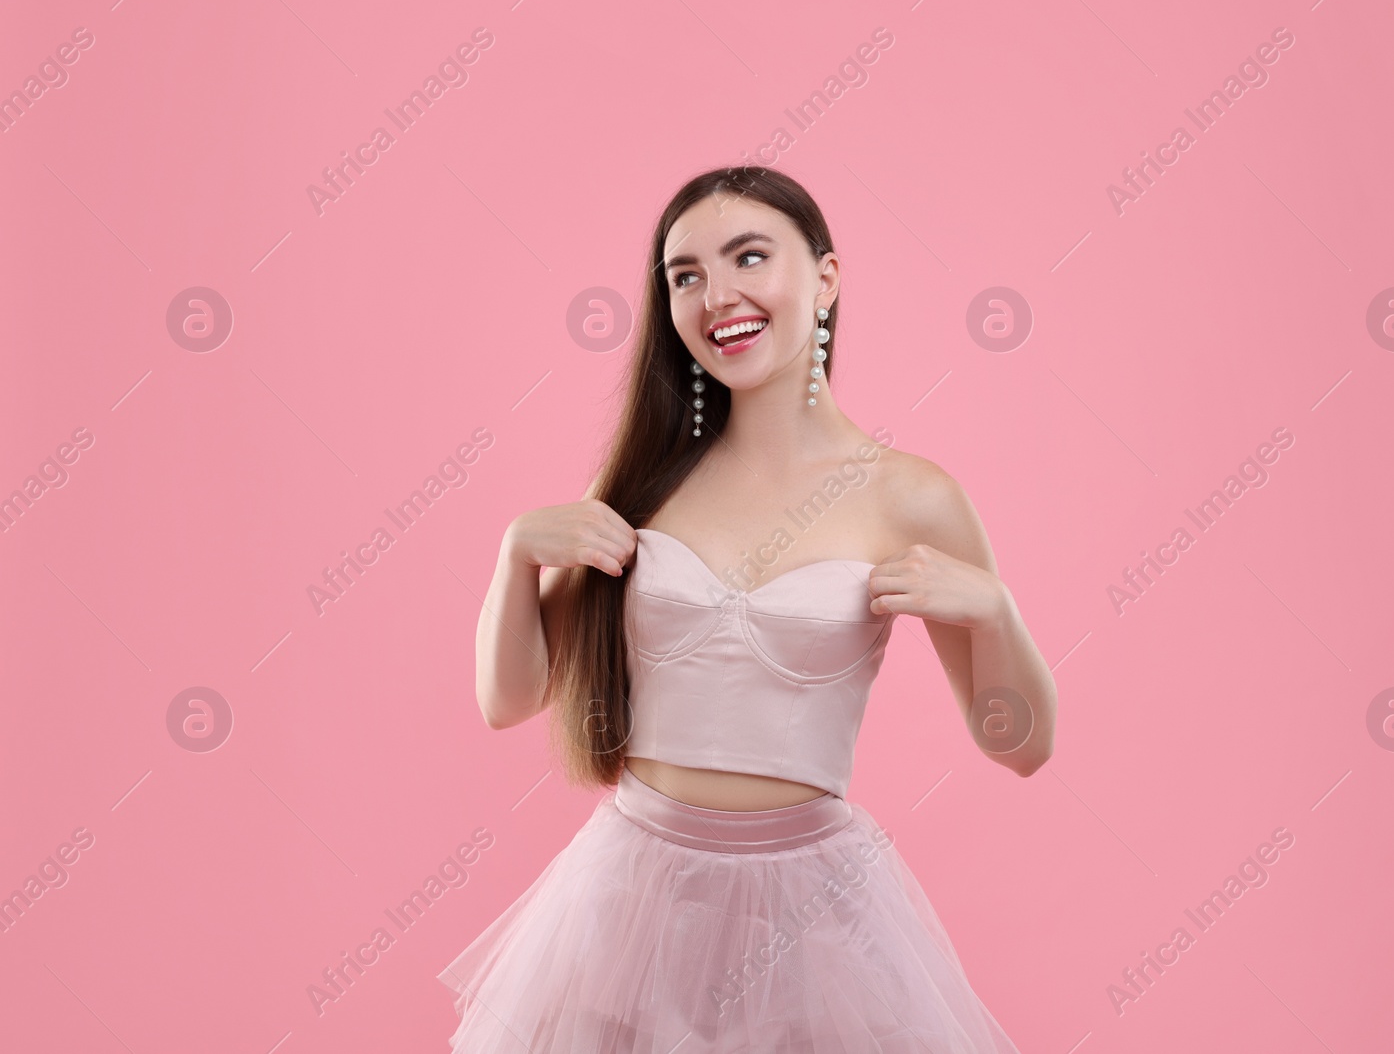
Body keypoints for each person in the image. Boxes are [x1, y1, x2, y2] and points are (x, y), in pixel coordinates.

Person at [437, 165, 1056, 1051]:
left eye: (748, 257)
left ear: (827, 279)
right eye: (684, 274)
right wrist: (515, 557)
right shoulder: (643, 482)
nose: (714, 294)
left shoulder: (912, 495)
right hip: (631, 901)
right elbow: (508, 700)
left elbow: (1021, 744)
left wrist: (995, 612)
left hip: (810, 915)